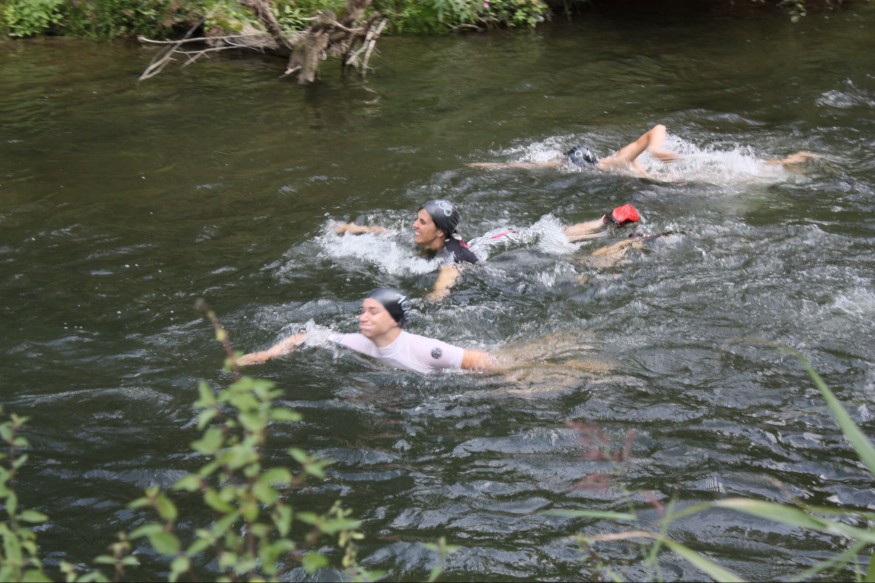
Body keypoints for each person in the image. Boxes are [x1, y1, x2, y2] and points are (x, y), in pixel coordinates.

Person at [334, 199, 641, 299]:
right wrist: (355, 229)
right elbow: (392, 233)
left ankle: (631, 243)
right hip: (485, 245)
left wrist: (426, 300)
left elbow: (443, 286)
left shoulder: (450, 257)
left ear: (439, 232)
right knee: (546, 235)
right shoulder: (433, 236)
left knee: (574, 261)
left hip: (509, 266)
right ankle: (604, 221)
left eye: (421, 222)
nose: (414, 225)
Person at [236, 288, 497, 373]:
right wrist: (266, 355)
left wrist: (510, 383)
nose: (363, 317)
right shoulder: (356, 341)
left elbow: (480, 359)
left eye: (373, 312)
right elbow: (304, 336)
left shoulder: (425, 349)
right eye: (363, 311)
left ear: (394, 320)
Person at [467, 123, 818, 179]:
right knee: (744, 170)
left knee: (739, 172)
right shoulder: (606, 164)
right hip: (669, 179)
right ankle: (791, 162)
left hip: (675, 174)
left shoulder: (618, 160)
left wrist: (659, 152)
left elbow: (658, 128)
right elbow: (538, 165)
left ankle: (794, 161)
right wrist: (492, 166)